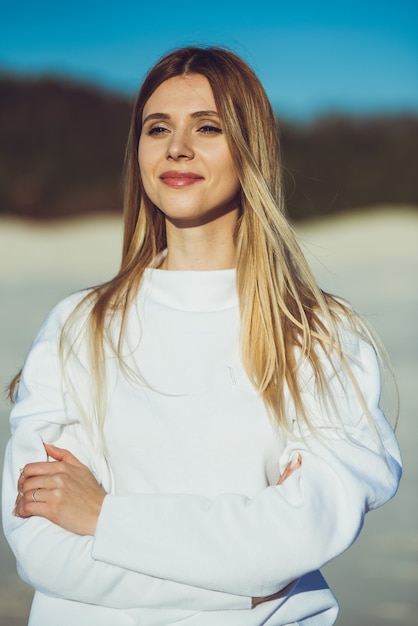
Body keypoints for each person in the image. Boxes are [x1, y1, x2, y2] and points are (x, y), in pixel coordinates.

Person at [2, 45, 401, 626]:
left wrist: (106, 518)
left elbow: (308, 529)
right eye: (157, 128)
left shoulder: (316, 334)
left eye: (207, 127)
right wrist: (252, 582)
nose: (176, 148)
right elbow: (42, 547)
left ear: (250, 147)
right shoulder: (77, 327)